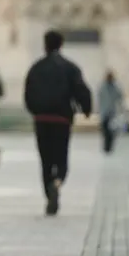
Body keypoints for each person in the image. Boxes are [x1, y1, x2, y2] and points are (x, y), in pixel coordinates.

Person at [24, 30, 92, 216]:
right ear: (61, 45)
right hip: (62, 119)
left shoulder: (36, 68)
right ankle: (58, 182)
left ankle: (48, 193)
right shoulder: (70, 67)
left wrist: (35, 111)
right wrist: (86, 109)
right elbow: (81, 90)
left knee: (45, 159)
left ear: (45, 45)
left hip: (41, 120)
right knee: (61, 157)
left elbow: (28, 94)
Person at [98, 70, 125, 154]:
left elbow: (120, 98)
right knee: (106, 132)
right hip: (105, 113)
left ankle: (109, 148)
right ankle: (107, 147)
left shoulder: (115, 87)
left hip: (112, 113)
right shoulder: (103, 87)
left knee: (111, 132)